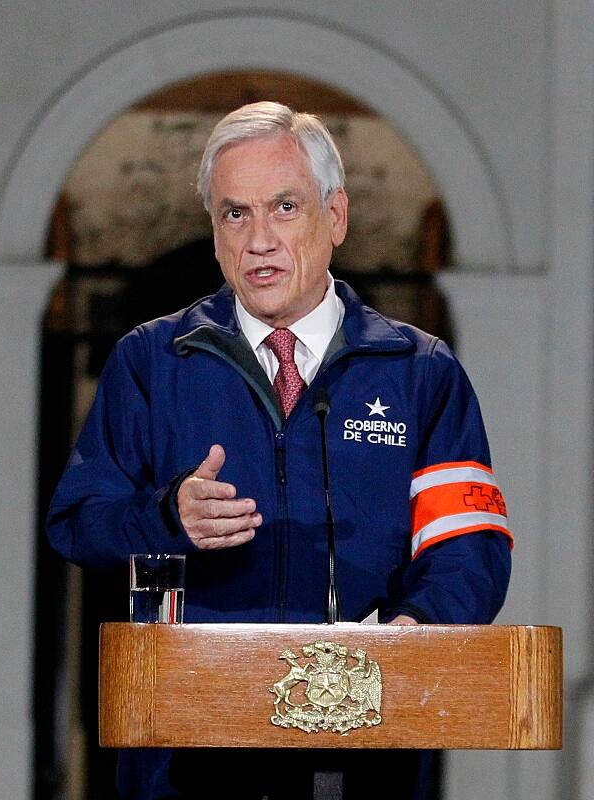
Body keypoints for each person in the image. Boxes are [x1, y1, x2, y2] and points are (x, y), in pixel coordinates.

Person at [46, 101, 512, 799]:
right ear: (213, 234)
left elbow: (469, 543)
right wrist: (167, 518)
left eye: (284, 208)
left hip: (362, 751)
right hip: (188, 753)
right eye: (235, 214)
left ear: (336, 217)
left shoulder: (419, 371)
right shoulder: (151, 360)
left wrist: (410, 636)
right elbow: (78, 520)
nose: (258, 239)